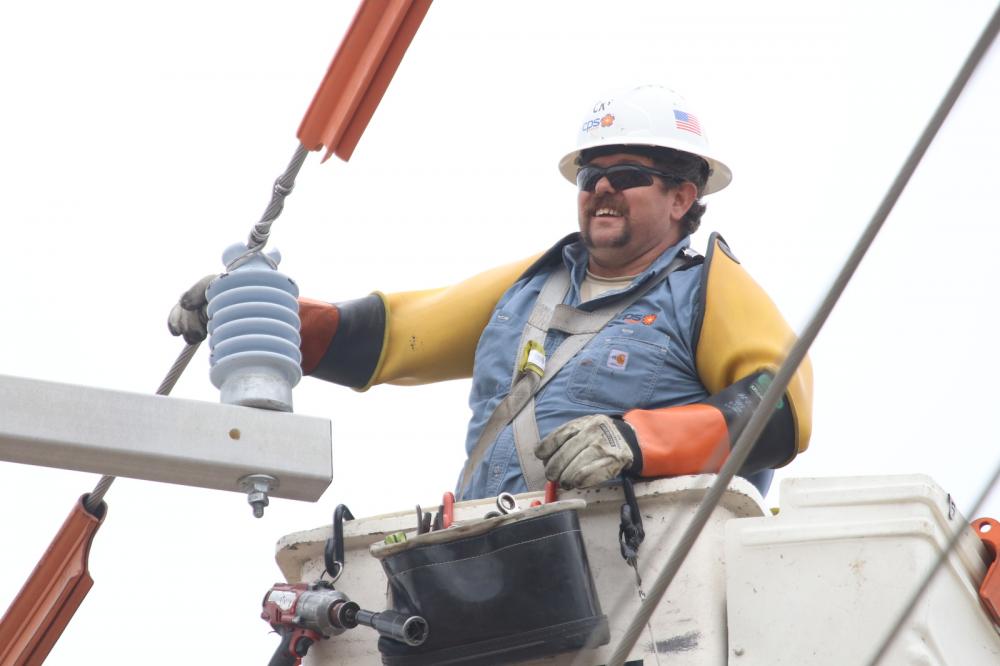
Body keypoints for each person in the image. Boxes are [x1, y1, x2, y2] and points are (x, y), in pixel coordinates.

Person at [170, 84, 812, 501]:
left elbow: (780, 406)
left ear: (681, 197)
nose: (601, 188)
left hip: (645, 582)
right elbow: (390, 336)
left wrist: (639, 440)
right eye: (591, 175)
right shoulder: (530, 289)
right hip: (498, 567)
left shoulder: (707, 290)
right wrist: (258, 312)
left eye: (626, 174)